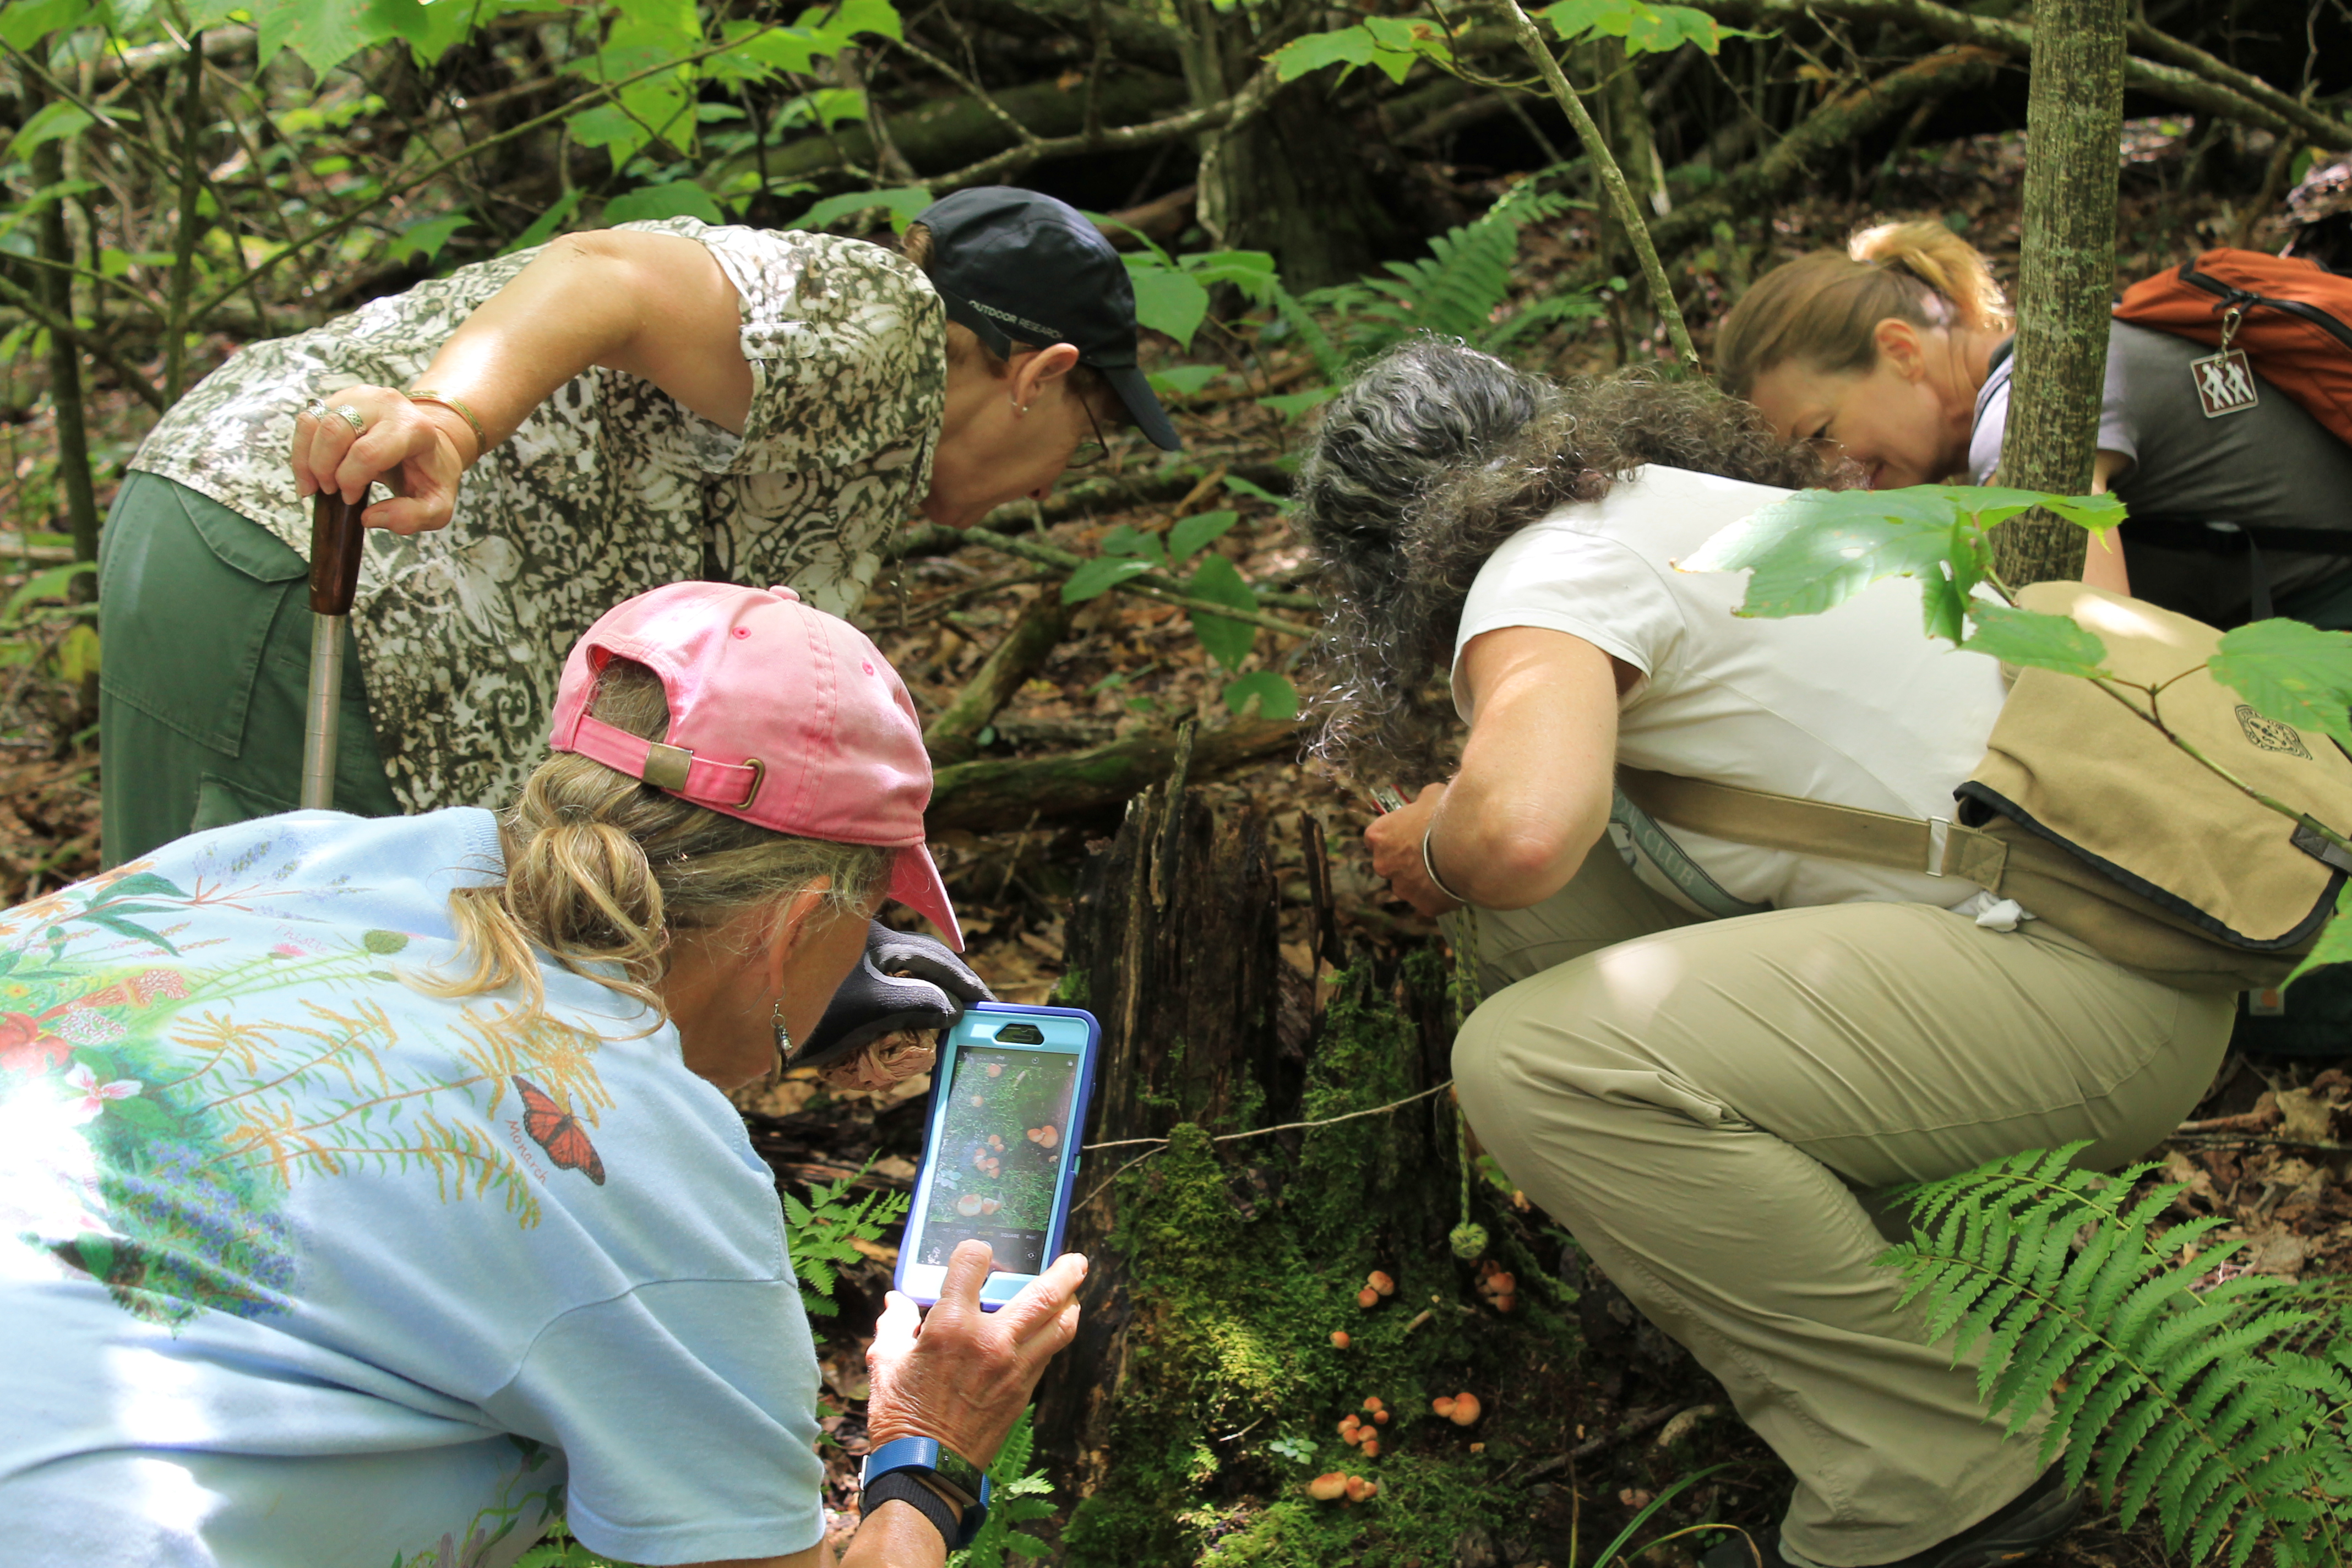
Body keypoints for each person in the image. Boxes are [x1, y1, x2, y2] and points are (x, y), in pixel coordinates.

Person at [1297, 339, 2236, 1568]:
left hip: (2084, 996)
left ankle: (1933, 1467)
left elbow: (1523, 830)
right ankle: (1889, 1291)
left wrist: (1437, 846)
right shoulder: (1710, 509)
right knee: (1540, 923)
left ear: (1394, 557)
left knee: (1534, 1063)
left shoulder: (1543, 569)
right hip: (2123, 960)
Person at [0, 580, 1084, 1566]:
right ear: (801, 921)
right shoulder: (639, 1151)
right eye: (869, 921)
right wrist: (927, 1456)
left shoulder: (301, 856)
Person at [99, 184, 1182, 865]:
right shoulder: (884, 323)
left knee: (185, 985)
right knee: (274, 1006)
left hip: (239, 523)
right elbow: (605, 272)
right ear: (1041, 375)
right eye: (1088, 438)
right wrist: (449, 417)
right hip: (324, 549)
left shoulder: (842, 438)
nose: (1051, 490)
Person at [1715, 219, 2352, 628]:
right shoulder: (2069, 348)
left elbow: (2106, 658)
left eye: (1820, 433)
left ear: (1902, 351)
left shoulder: (2024, 420)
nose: (1830, 477)